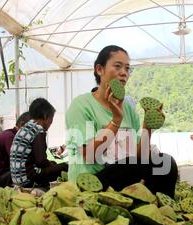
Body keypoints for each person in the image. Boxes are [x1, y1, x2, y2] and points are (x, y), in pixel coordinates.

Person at [65, 45, 178, 197]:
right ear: (100, 70)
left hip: (124, 174)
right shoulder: (81, 105)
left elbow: (141, 156)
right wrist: (116, 120)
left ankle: (161, 213)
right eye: (118, 66)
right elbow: (89, 154)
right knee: (132, 166)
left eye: (127, 68)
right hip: (92, 181)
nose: (124, 73)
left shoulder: (128, 109)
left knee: (166, 163)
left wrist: (147, 126)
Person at [10, 98, 68, 188]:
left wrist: (52, 164)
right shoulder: (38, 129)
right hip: (28, 179)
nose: (51, 123)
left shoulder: (25, 127)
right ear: (45, 117)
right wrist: (54, 165)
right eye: (51, 119)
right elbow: (41, 161)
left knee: (54, 164)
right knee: (65, 166)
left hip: (17, 179)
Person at [0, 112, 31, 188]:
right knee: (28, 169)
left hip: (5, 175)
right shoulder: (9, 137)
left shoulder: (13, 136)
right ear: (22, 124)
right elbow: (20, 161)